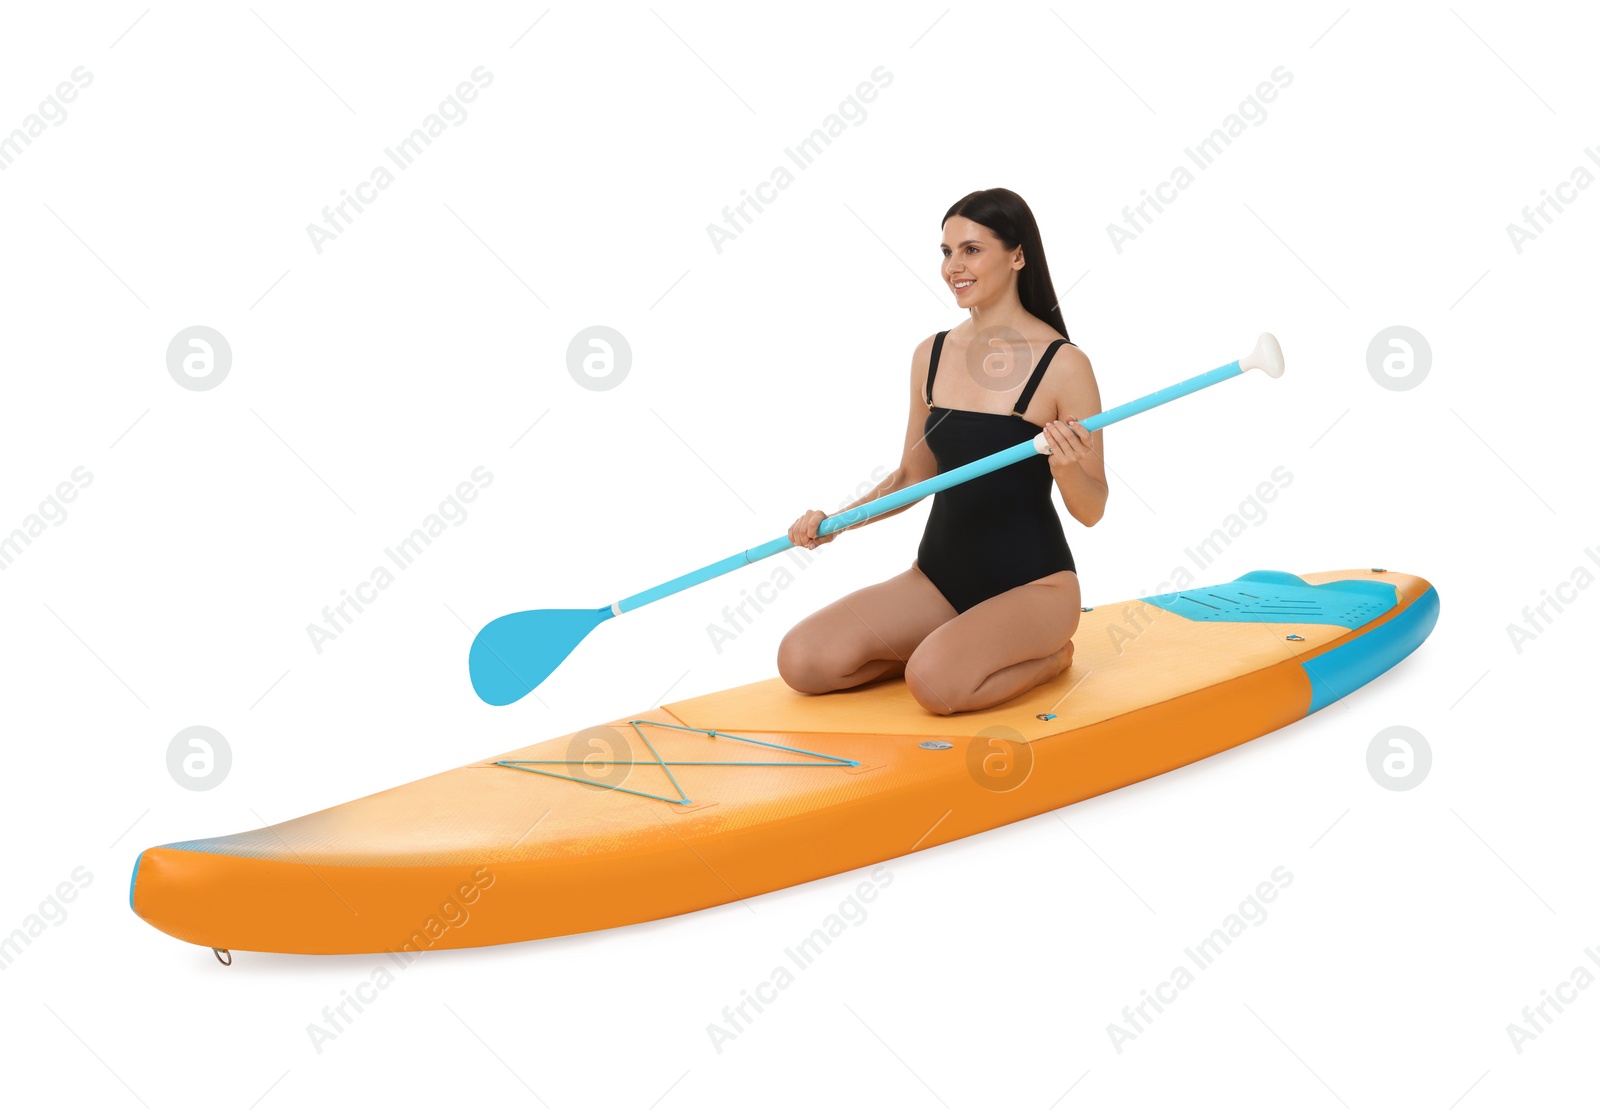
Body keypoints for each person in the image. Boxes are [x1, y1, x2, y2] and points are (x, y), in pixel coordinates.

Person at [777, 188, 1108, 715]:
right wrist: (837, 521)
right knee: (803, 659)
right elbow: (913, 474)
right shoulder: (930, 354)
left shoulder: (1063, 364)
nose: (954, 265)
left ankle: (1049, 657)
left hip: (1035, 587)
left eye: (971, 250)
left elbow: (1092, 509)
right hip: (938, 579)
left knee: (934, 685)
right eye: (946, 251)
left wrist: (1068, 469)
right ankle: (950, 648)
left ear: (1017, 255)